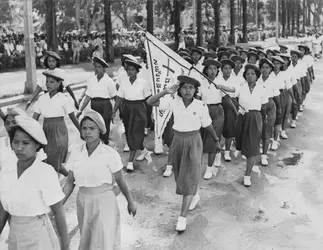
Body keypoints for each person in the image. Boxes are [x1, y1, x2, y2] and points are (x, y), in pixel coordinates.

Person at [147, 75, 221, 232]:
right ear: (179, 89)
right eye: (185, 87)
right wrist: (165, 92)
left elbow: (207, 125)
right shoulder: (173, 101)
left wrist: (216, 140)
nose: (188, 90)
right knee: (180, 175)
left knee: (189, 176)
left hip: (194, 141)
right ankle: (194, 195)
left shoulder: (201, 105)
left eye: (191, 88)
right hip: (178, 141)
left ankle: (182, 217)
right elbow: (150, 102)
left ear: (195, 90)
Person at [62, 110, 136, 250]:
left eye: (92, 128)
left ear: (100, 130)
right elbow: (70, 182)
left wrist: (130, 202)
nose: (87, 132)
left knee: (102, 240)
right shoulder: (77, 152)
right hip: (83, 201)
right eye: (84, 128)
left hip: (104, 202)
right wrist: (59, 204)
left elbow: (121, 181)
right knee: (87, 238)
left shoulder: (110, 154)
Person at [0, 115, 69, 250]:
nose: (19, 148)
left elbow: (59, 212)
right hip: (14, 235)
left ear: (37, 144)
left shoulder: (45, 172)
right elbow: (4, 208)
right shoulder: (7, 170)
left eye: (25, 143)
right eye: (16, 142)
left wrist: (65, 247)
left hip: (38, 236)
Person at [32, 70, 81, 176]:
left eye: (52, 82)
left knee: (55, 163)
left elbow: (73, 118)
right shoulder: (42, 99)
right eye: (47, 82)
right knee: (47, 161)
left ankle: (71, 178)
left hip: (59, 132)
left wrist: (81, 131)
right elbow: (34, 119)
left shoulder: (63, 99)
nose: (48, 84)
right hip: (46, 133)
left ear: (59, 83)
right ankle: (61, 180)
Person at [112, 59, 151, 171]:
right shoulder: (124, 82)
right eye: (128, 69)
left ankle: (130, 161)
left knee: (137, 132)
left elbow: (148, 99)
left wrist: (151, 114)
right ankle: (143, 150)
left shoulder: (143, 82)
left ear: (137, 71)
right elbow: (119, 98)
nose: (130, 71)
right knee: (129, 133)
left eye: (133, 69)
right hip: (127, 109)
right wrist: (114, 111)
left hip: (140, 109)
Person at [199, 59, 235, 180]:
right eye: (210, 68)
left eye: (215, 69)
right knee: (202, 139)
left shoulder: (219, 82)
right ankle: (217, 152)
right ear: (206, 70)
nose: (212, 71)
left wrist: (236, 112)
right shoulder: (201, 83)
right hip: (204, 111)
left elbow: (229, 96)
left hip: (218, 111)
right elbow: (198, 100)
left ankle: (209, 168)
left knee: (212, 138)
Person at [235, 64, 268, 187]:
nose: (250, 76)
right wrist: (220, 86)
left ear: (257, 76)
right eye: (247, 74)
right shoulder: (241, 87)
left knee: (252, 147)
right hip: (242, 118)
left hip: (255, 118)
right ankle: (246, 156)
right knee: (242, 144)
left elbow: (263, 108)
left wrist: (262, 122)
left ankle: (247, 175)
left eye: (252, 74)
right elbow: (232, 90)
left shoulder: (262, 89)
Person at [77, 56, 116, 145]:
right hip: (94, 105)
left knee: (105, 126)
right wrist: (81, 110)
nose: (97, 69)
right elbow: (88, 96)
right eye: (96, 67)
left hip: (105, 105)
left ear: (104, 69)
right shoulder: (92, 80)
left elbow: (115, 97)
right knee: (95, 125)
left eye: (99, 67)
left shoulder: (109, 81)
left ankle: (105, 143)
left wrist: (114, 111)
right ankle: (97, 145)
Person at [257, 58, 280, 166]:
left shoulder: (273, 81)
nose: (264, 70)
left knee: (267, 130)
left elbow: (276, 96)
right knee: (257, 130)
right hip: (258, 106)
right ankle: (255, 151)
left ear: (270, 69)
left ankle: (264, 155)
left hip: (270, 106)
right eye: (263, 67)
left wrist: (279, 109)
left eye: (267, 68)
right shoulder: (257, 80)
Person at [217, 59, 239, 162]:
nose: (228, 70)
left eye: (230, 68)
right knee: (218, 126)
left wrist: (222, 87)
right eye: (225, 68)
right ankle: (216, 150)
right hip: (219, 103)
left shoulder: (235, 79)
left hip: (231, 103)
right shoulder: (217, 78)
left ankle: (227, 151)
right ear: (221, 69)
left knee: (229, 127)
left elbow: (234, 89)